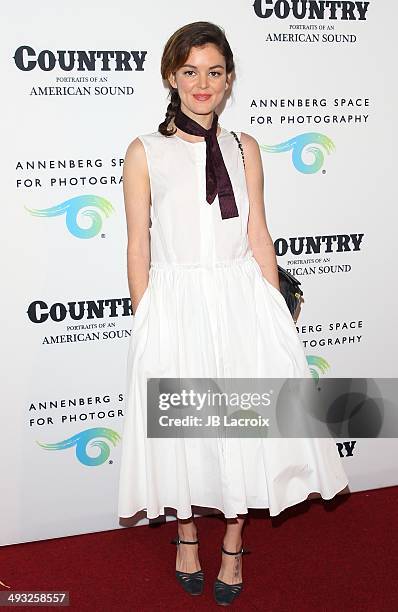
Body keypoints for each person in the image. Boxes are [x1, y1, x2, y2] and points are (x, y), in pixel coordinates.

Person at [117, 21, 349, 606]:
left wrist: (274, 304)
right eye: (190, 71)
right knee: (187, 426)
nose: (202, 83)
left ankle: (234, 544)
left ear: (228, 80)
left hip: (241, 297)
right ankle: (188, 534)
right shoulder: (147, 152)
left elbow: (258, 230)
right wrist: (147, 318)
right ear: (171, 77)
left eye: (214, 72)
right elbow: (138, 245)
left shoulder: (245, 147)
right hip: (177, 300)